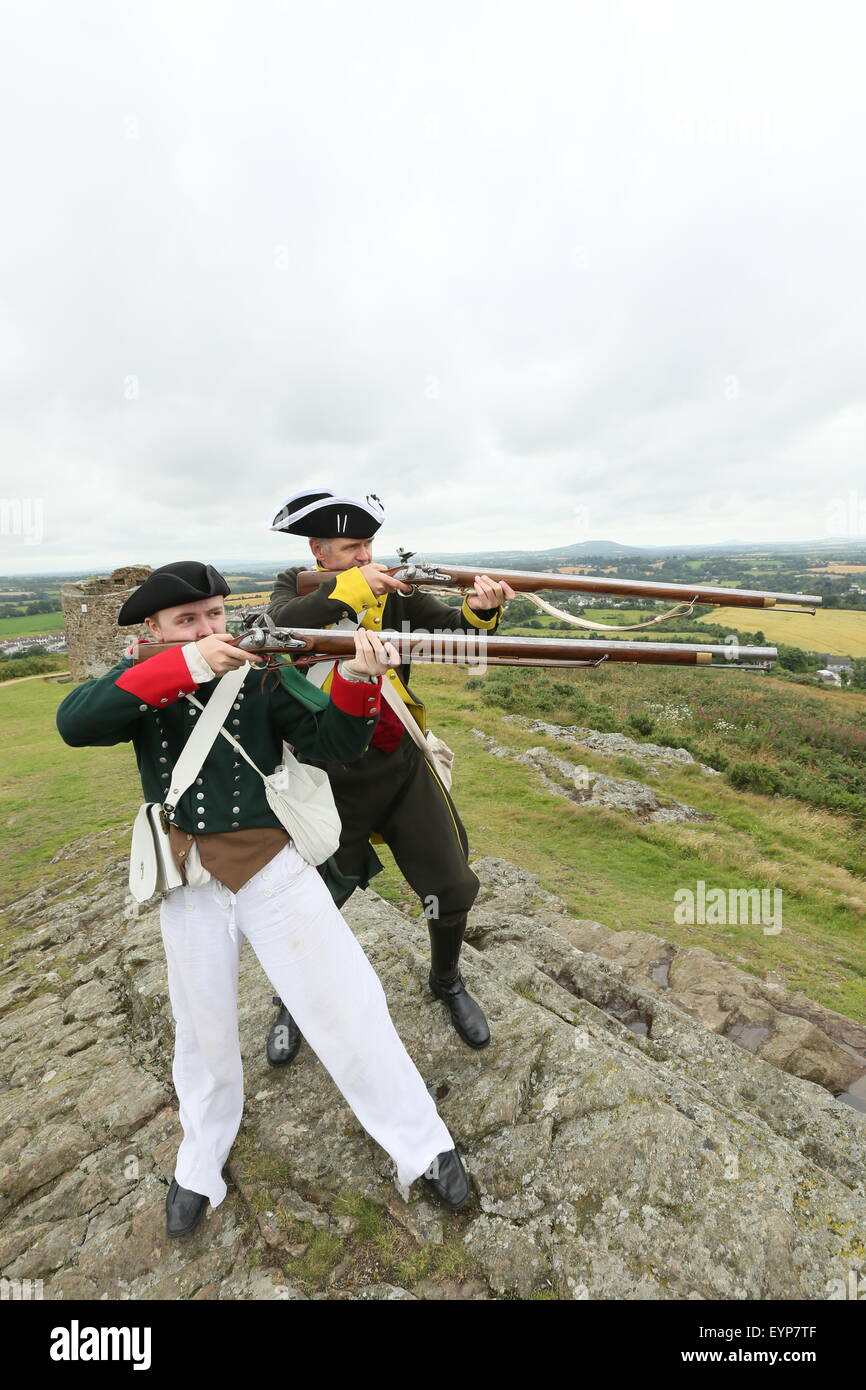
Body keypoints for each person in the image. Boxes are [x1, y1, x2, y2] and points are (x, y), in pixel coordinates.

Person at [56, 560, 470, 1237]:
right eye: (189, 620)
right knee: (203, 1029)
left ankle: (421, 1146)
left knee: (350, 1007)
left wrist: (359, 680)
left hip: (273, 869)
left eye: (215, 614)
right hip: (189, 880)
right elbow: (76, 722)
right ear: (156, 629)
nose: (209, 627)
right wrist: (188, 663)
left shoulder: (261, 676)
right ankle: (200, 1160)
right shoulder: (143, 682)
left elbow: (334, 741)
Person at [263, 490, 515, 1064]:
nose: (363, 557)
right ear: (317, 550)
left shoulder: (394, 593)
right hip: (323, 772)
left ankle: (446, 979)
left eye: (368, 546)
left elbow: (461, 638)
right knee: (318, 894)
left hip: (398, 757)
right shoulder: (292, 587)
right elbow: (279, 626)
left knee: (449, 885)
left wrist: (481, 607)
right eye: (351, 548)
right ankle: (293, 999)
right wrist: (354, 588)